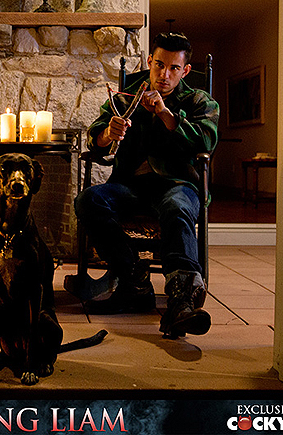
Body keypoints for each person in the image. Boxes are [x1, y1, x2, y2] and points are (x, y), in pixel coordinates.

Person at [74, 32, 219, 337]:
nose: (164, 74)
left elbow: (205, 141)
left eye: (173, 68)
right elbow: (95, 137)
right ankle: (133, 281)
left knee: (177, 207)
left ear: (185, 71)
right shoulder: (126, 95)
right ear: (150, 61)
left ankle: (181, 303)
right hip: (131, 186)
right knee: (88, 200)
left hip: (177, 184)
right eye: (159, 65)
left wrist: (166, 114)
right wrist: (107, 134)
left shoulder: (197, 100)